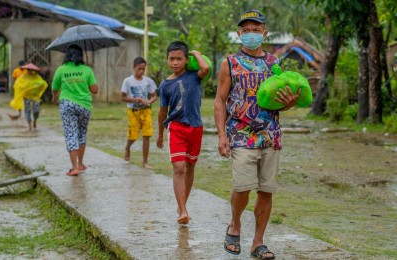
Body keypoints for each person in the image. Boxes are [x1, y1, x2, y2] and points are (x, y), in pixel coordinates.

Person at [214, 10, 301, 259]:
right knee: (242, 187)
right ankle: (234, 225)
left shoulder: (274, 64)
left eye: (256, 29)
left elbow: (279, 103)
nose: (251, 33)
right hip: (240, 134)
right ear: (239, 34)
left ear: (264, 33)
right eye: (246, 30)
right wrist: (222, 135)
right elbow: (220, 101)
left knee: (266, 190)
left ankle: (258, 243)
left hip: (270, 135)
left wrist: (290, 104)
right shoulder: (229, 62)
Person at [156, 41, 210, 224]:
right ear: (167, 60)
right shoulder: (165, 85)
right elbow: (162, 111)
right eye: (172, 59)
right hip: (177, 127)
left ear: (187, 60)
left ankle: (182, 205)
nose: (175, 63)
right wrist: (160, 133)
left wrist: (197, 53)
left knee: (190, 167)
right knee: (179, 167)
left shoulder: (195, 76)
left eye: (179, 59)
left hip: (196, 127)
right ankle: (183, 211)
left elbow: (206, 67)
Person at [51, 45, 98, 176]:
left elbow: (54, 87)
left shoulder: (61, 69)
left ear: (67, 56)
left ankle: (74, 167)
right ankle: (81, 164)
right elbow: (95, 90)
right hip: (84, 106)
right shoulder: (87, 70)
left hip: (67, 105)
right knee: (82, 134)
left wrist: (55, 97)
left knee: (71, 134)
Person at [120, 57, 158, 169]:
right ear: (133, 68)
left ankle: (145, 162)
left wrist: (149, 101)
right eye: (139, 69)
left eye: (143, 69)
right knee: (134, 135)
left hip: (146, 111)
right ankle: (127, 147)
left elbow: (154, 96)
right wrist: (134, 99)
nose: (141, 71)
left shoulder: (148, 81)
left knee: (147, 135)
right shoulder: (128, 81)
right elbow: (122, 97)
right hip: (133, 111)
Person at [9, 63, 48, 130]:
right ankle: (29, 125)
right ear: (27, 70)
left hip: (35, 97)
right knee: (28, 110)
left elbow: (42, 83)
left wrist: (36, 87)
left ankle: (35, 121)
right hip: (26, 97)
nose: (30, 71)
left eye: (31, 70)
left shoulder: (36, 77)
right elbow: (18, 84)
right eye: (28, 70)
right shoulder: (23, 76)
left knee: (36, 111)